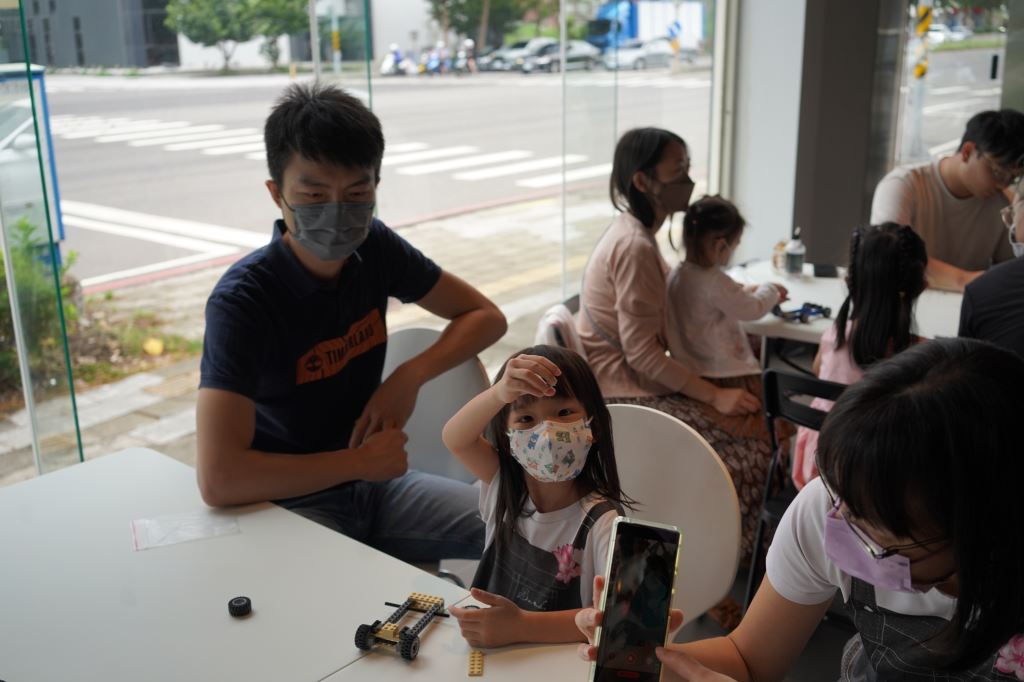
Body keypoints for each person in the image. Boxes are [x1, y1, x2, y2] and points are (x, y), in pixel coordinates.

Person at [576, 338, 1024, 681]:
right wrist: (650, 662)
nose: (840, 526)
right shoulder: (830, 508)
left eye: (879, 541)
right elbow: (748, 659)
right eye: (840, 497)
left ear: (983, 530)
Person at [195, 83, 507, 564]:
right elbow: (219, 479)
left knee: (521, 528)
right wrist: (357, 462)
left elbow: (486, 317)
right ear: (277, 194)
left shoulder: (374, 248)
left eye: (357, 193)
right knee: (355, 598)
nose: (338, 212)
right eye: (314, 194)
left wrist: (409, 375)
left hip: (376, 486)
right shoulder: (243, 303)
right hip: (288, 505)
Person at [576, 127, 770, 562]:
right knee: (754, 442)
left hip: (628, 378)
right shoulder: (635, 247)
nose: (687, 179)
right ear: (643, 181)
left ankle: (721, 551)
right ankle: (717, 563)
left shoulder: (636, 233)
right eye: (677, 170)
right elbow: (643, 355)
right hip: (625, 393)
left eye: (687, 167)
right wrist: (714, 395)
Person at [441, 345, 630, 647]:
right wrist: (499, 394)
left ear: (592, 425)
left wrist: (521, 627)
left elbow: (615, 620)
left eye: (564, 413)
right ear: (508, 437)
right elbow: (455, 438)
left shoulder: (604, 523)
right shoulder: (504, 485)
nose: (547, 434)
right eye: (526, 419)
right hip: (490, 654)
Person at [792, 223, 928, 489]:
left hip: (818, 469)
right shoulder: (918, 356)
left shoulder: (833, 336)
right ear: (920, 286)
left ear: (849, 281)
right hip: (868, 481)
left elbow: (818, 370)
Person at [665, 195, 788, 440]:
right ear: (720, 246)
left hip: (691, 368)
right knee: (771, 419)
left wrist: (743, 290)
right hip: (724, 373)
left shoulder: (676, 275)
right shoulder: (715, 281)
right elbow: (752, 309)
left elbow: (713, 298)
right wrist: (770, 290)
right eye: (736, 244)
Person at [870, 109, 1024, 292]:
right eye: (997, 172)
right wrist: (965, 280)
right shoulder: (904, 185)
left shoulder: (1004, 203)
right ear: (967, 151)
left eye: (1013, 178)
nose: (1003, 184)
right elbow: (889, 256)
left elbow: (1013, 271)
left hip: (966, 305)